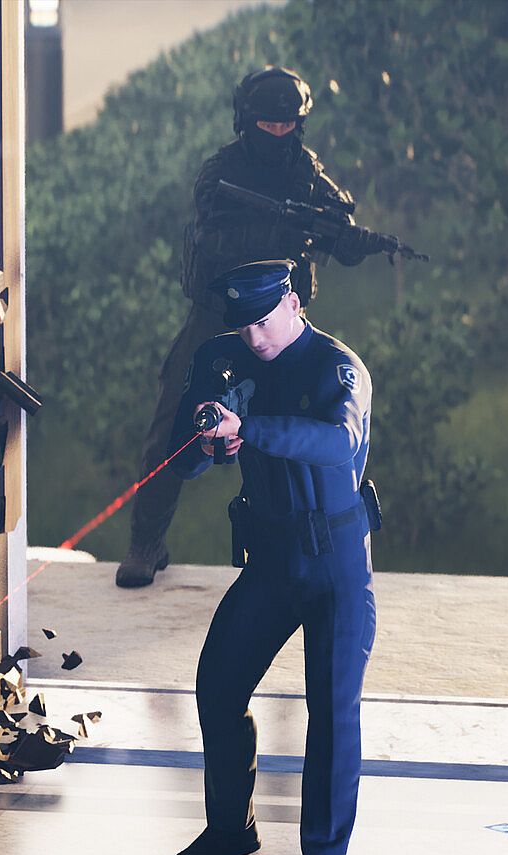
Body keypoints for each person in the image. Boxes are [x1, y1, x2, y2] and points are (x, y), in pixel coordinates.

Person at [165, 259, 377, 855]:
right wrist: (208, 441)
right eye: (243, 325)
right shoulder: (221, 359)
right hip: (272, 560)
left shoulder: (337, 367)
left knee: (332, 708)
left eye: (263, 321)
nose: (253, 337)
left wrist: (249, 429)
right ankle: (232, 827)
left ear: (293, 304)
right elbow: (180, 456)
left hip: (336, 562)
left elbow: (339, 443)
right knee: (218, 683)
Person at [117, 66, 373, 588]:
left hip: (283, 323)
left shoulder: (307, 173)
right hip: (218, 319)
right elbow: (212, 233)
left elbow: (338, 220)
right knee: (171, 427)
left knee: (311, 426)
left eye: (286, 125)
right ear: (246, 121)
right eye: (267, 125)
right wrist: (281, 229)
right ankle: (145, 543)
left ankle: (312, 543)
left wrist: (345, 238)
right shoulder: (221, 173)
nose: (277, 134)